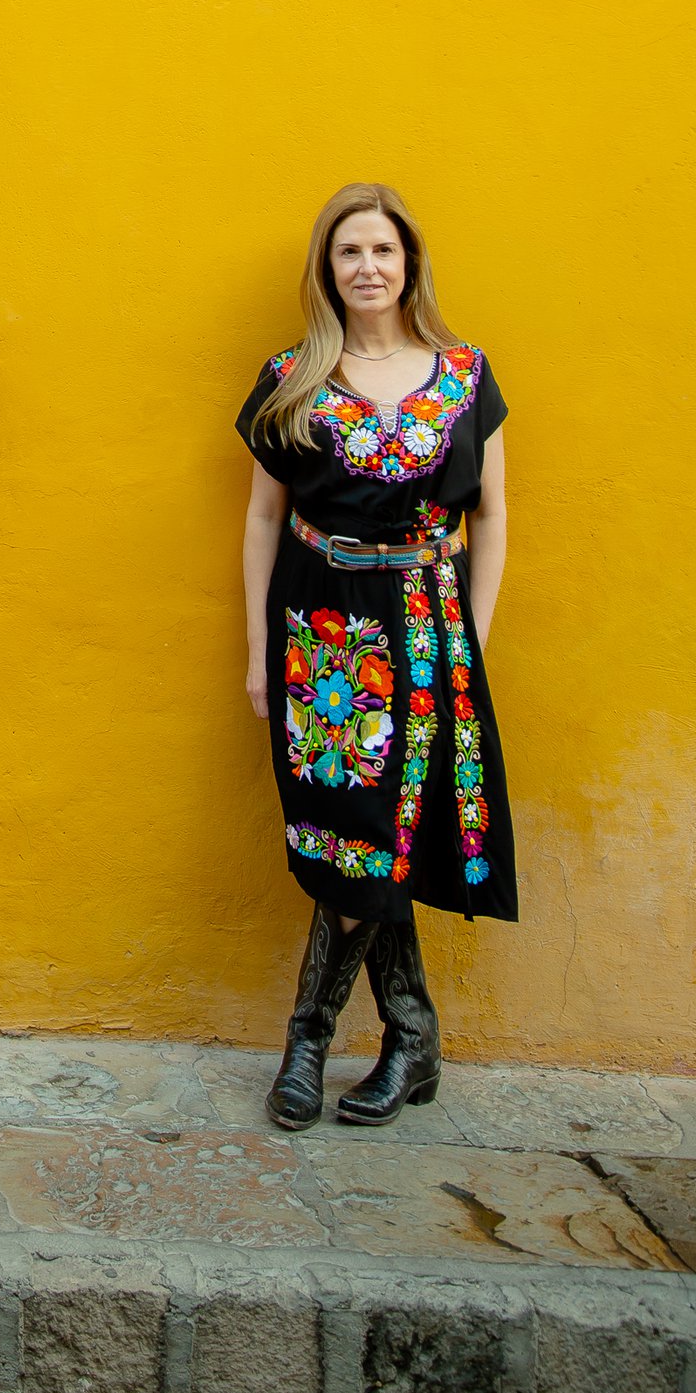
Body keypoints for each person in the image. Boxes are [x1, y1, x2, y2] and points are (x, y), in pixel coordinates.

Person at [237, 183, 513, 1131]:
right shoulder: (292, 378)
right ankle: (410, 1035)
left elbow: (494, 518)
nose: (367, 267)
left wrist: (473, 640)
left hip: (430, 630)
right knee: (349, 834)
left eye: (382, 250)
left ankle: (311, 1040)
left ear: (409, 263)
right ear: (327, 269)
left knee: (385, 836)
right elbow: (263, 518)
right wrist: (258, 652)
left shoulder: (466, 375)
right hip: (324, 636)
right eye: (349, 251)